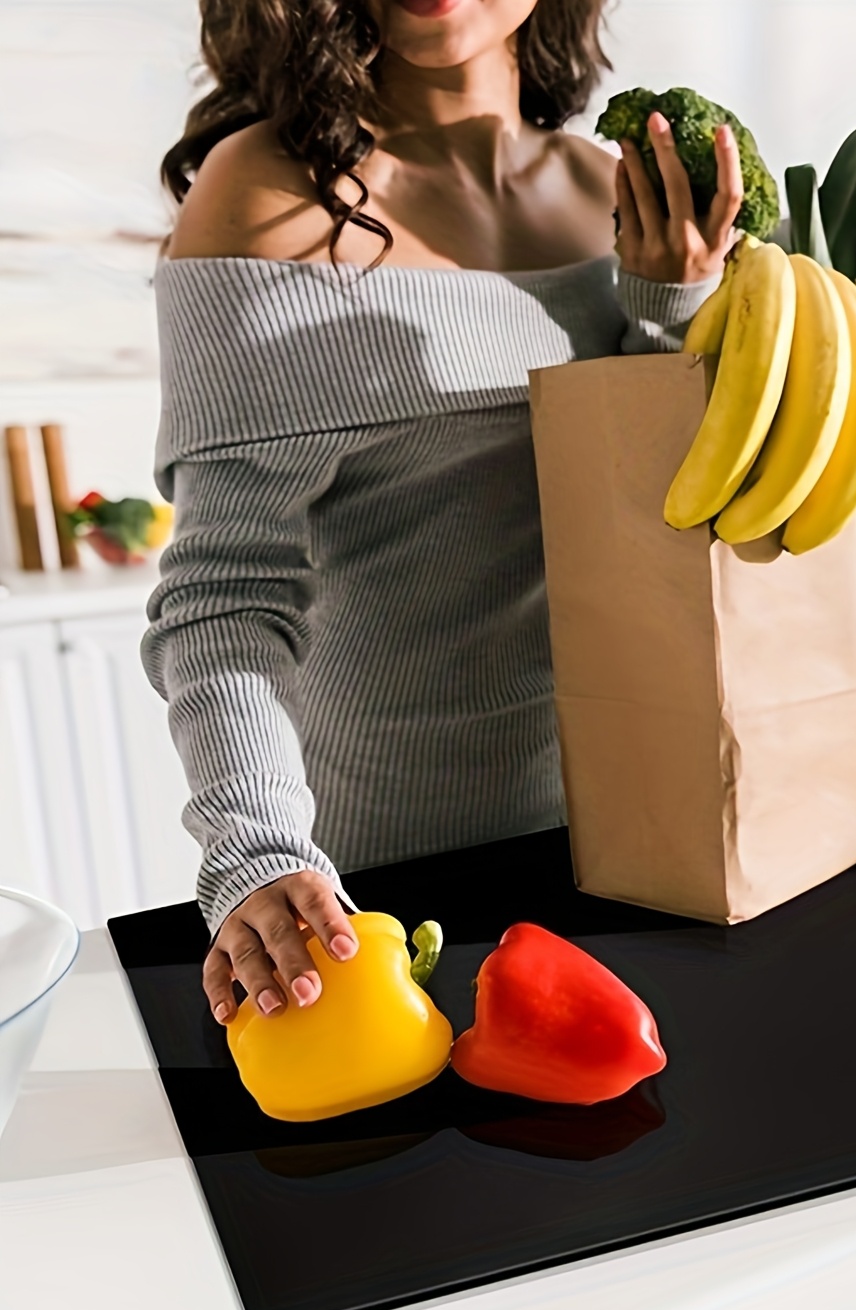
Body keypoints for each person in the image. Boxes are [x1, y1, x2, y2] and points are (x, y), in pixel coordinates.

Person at [145, 0, 742, 1025]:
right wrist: (258, 854)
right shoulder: (264, 195)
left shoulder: (615, 193)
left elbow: (663, 521)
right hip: (399, 883)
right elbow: (222, 597)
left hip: (660, 832)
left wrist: (668, 310)